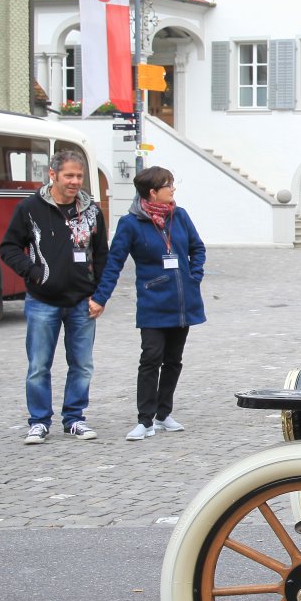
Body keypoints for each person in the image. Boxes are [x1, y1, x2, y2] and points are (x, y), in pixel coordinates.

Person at [88, 167, 207, 441]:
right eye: (168, 185)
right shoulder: (130, 224)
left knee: (173, 360)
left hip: (182, 302)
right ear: (152, 192)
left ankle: (164, 414)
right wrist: (100, 298)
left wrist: (194, 276)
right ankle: (145, 420)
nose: (173, 189)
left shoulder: (180, 216)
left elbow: (197, 248)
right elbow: (114, 263)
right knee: (151, 358)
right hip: (153, 302)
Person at [0, 150, 108, 443]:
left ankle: (74, 418)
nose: (75, 181)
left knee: (82, 366)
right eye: (69, 175)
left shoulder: (92, 211)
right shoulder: (29, 208)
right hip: (42, 301)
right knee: (38, 366)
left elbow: (102, 255)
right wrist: (33, 272)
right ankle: (38, 421)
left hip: (82, 302)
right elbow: (8, 247)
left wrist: (100, 294)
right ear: (52, 175)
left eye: (79, 176)